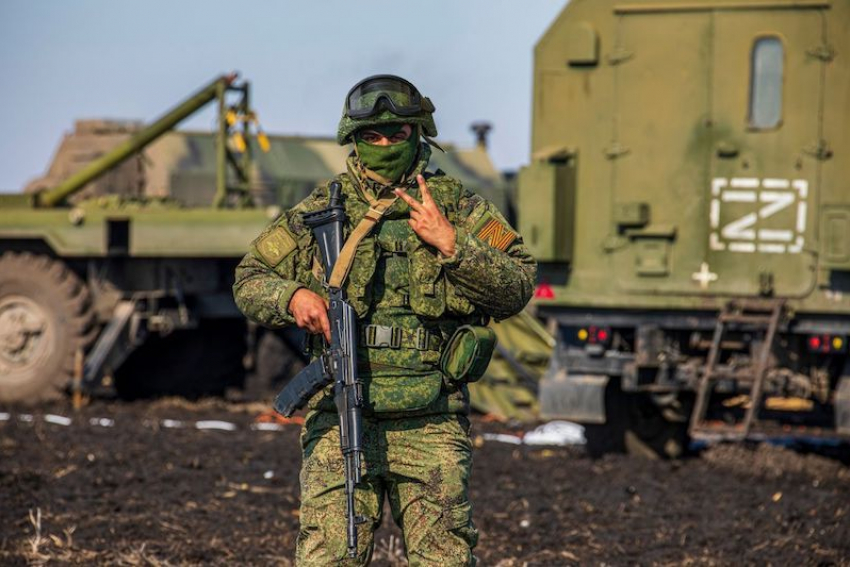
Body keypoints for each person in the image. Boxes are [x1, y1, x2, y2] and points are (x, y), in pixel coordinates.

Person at [233, 74, 536, 566]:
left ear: (418, 134)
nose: (383, 145)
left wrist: (452, 245)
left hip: (431, 420)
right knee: (330, 556)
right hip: (340, 414)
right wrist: (294, 297)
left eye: (396, 134)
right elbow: (249, 279)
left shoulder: (456, 205)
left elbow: (519, 284)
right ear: (352, 139)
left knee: (444, 558)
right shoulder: (321, 210)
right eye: (371, 137)